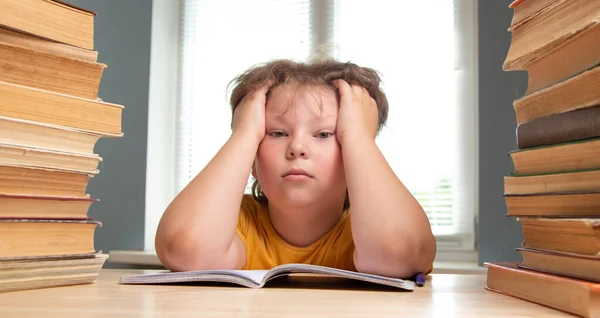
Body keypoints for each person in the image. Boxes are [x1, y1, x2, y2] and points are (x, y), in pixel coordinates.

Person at [155, 58, 436, 278]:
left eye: (324, 134)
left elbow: (398, 253)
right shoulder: (229, 224)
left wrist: (360, 138)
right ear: (251, 158)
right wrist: (244, 134)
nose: (297, 147)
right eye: (276, 133)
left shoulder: (369, 230)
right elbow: (187, 250)